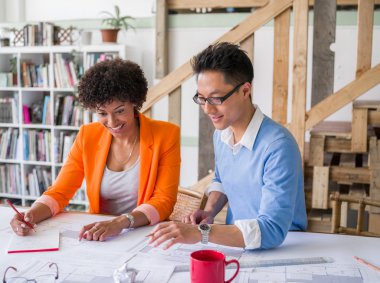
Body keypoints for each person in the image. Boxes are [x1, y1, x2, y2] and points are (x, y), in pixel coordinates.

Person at [149, 42, 307, 250]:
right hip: (237, 242)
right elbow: (222, 179)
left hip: (285, 247)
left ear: (245, 91)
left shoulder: (278, 146)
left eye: (215, 98)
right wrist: (210, 212)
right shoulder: (222, 134)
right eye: (202, 98)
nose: (207, 109)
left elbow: (271, 229)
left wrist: (200, 233)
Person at [10, 59, 181, 241]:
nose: (112, 122)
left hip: (145, 234)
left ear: (134, 102)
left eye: (120, 111)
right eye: (102, 113)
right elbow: (60, 191)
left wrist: (121, 222)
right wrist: (30, 215)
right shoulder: (88, 135)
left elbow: (164, 201)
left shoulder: (166, 135)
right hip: (100, 235)